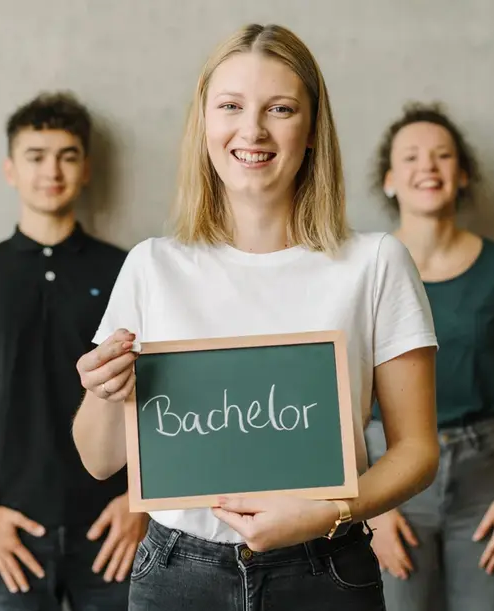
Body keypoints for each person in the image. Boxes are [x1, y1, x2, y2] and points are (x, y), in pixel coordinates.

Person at [71, 24, 440, 611]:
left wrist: (328, 512)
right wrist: (101, 389)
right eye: (231, 107)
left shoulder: (375, 264)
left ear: (313, 127)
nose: (252, 130)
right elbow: (98, 460)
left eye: (280, 108)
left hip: (325, 569)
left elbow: (418, 450)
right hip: (175, 574)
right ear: (205, 124)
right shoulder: (153, 266)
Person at [0, 91, 148, 611]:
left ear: (86, 168)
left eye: (67, 155)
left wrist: (140, 501)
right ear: (11, 168)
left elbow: (159, 391)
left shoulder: (127, 269)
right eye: (36, 156)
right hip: (10, 533)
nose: (52, 170)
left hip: (112, 530)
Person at [364, 102, 494, 611]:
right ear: (390, 179)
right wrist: (368, 510)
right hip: (389, 473)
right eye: (413, 157)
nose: (429, 166)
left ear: (462, 175)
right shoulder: (366, 267)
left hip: (486, 478)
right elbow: (336, 390)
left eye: (443, 156)